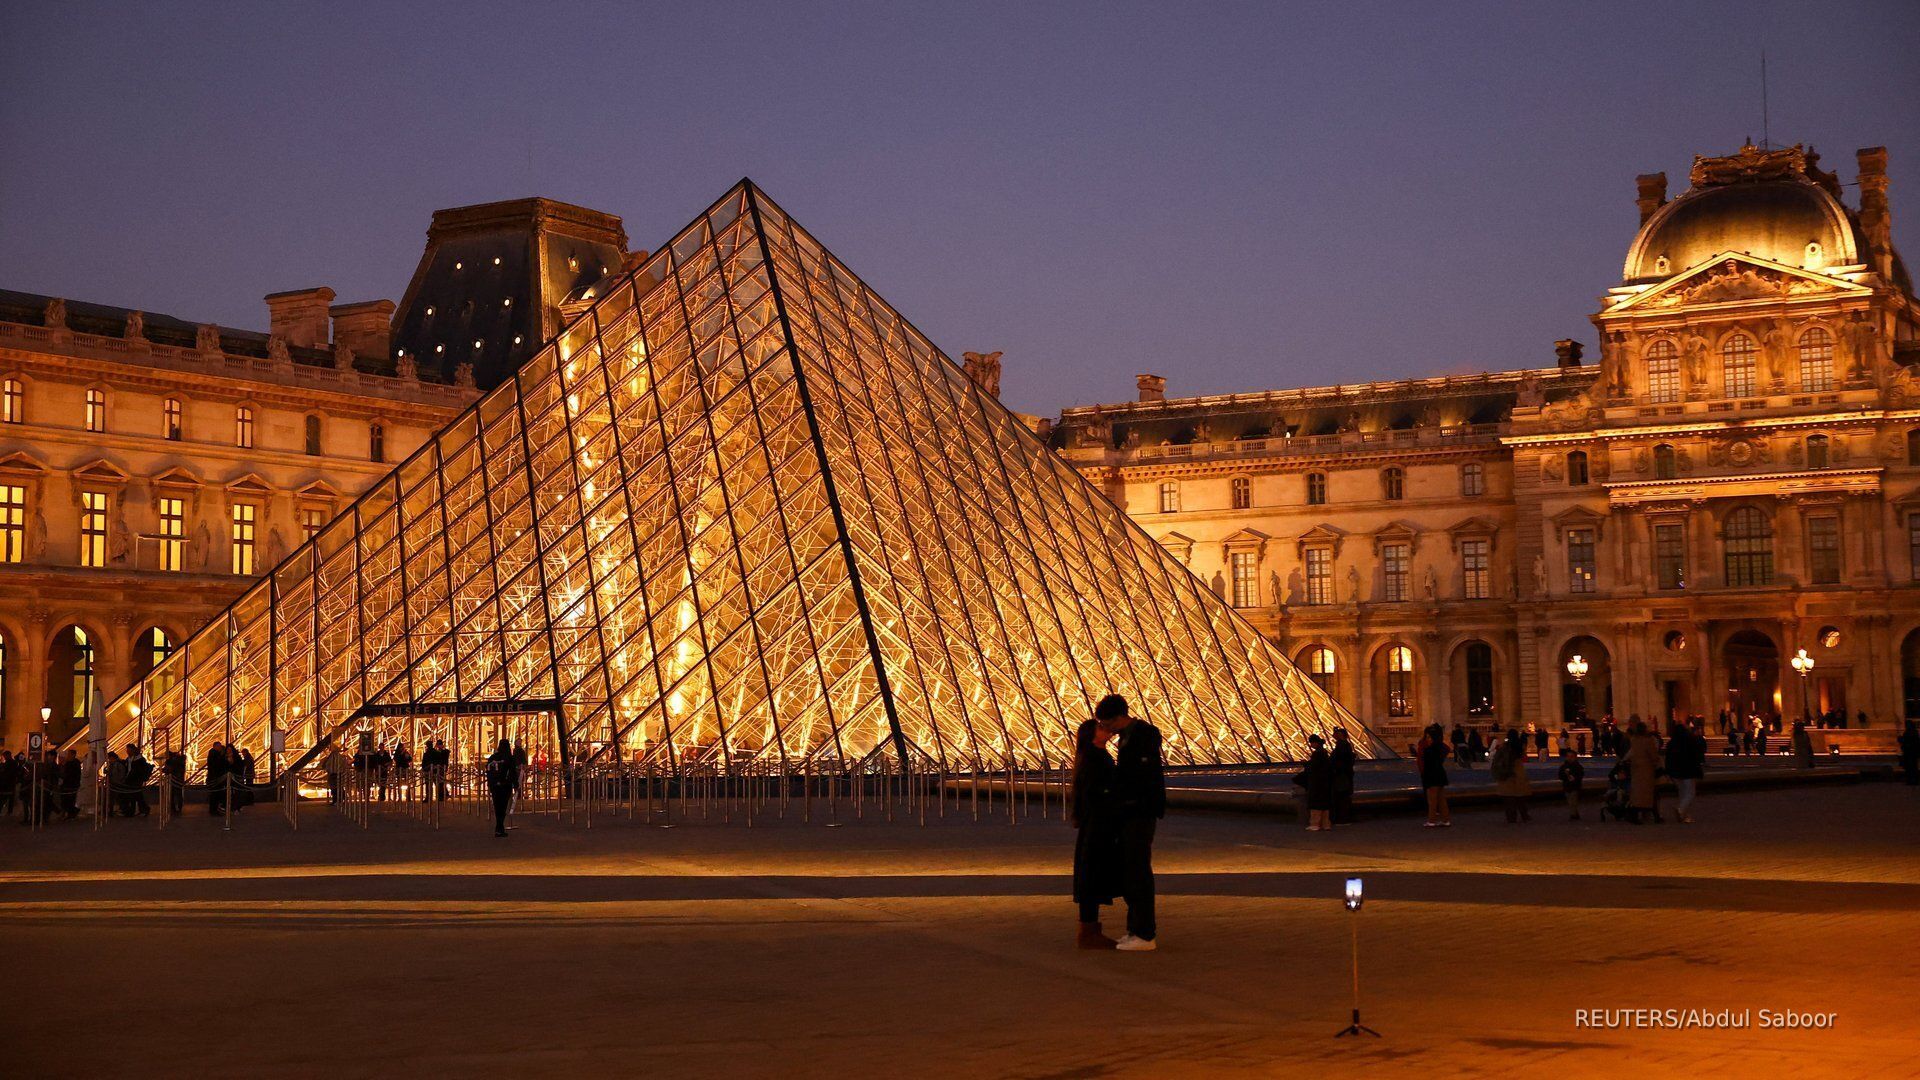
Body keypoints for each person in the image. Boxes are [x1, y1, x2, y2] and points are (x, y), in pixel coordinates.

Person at [1098, 695, 1164, 952]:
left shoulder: (1143, 735)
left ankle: (1145, 934)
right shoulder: (1130, 735)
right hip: (1133, 811)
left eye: (1107, 723)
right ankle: (1135, 929)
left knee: (1138, 871)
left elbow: (1139, 777)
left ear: (1118, 718)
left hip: (1139, 812)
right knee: (1131, 871)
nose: (1106, 729)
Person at [1069, 716, 1121, 949]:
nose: (1106, 728)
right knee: (1092, 876)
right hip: (1098, 825)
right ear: (1091, 736)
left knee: (1092, 876)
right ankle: (1088, 932)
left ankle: (1088, 930)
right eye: (1100, 727)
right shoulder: (1094, 758)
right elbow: (1097, 792)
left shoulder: (1092, 756)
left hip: (1095, 824)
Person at [1293, 734, 1334, 832]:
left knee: (1315, 804)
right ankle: (1326, 824)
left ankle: (1315, 824)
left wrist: (1306, 764)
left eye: (1311, 743)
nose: (1311, 745)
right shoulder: (1324, 752)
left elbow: (1314, 767)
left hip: (1317, 783)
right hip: (1325, 783)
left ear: (1315, 743)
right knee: (1325, 805)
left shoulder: (1317, 753)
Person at [1665, 720, 1704, 823]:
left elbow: (1668, 759)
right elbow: (1696, 757)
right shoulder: (1690, 741)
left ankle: (1684, 816)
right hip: (1688, 771)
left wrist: (1668, 772)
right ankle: (1681, 809)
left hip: (1675, 772)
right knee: (1690, 793)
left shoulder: (1671, 743)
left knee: (1682, 793)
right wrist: (1699, 770)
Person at [1624, 718, 1662, 824]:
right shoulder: (1648, 741)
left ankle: (1635, 815)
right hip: (1647, 770)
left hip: (1636, 770)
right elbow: (1653, 755)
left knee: (1637, 794)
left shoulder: (1634, 740)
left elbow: (1631, 753)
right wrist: (1657, 764)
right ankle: (1655, 816)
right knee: (1650, 794)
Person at [1492, 730, 1531, 823]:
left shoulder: (1504, 747)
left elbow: (1497, 759)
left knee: (1509, 799)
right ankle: (1524, 815)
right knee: (1521, 797)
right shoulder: (1520, 746)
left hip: (1507, 774)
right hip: (1519, 773)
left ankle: (1511, 817)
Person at [485, 738, 519, 838]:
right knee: (503, 806)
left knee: (497, 805)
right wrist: (515, 784)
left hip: (495, 785)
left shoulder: (493, 757)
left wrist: (490, 783)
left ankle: (498, 826)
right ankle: (500, 826)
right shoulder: (509, 758)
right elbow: (513, 772)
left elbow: (488, 770)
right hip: (505, 785)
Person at [1418, 723, 1450, 827]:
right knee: (1441, 800)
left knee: (1432, 800)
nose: (1427, 739)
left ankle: (1431, 821)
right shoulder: (1440, 748)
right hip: (1440, 774)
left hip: (1432, 776)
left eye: (1429, 737)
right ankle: (1446, 820)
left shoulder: (1429, 750)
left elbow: (1426, 765)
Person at [1329, 728, 1356, 825]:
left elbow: (1337, 760)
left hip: (1341, 776)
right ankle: (1344, 818)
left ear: (1341, 735)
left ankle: (1342, 818)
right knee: (1343, 797)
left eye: (1337, 734)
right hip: (1344, 775)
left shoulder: (1342, 746)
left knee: (1341, 797)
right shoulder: (1345, 745)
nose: (1334, 735)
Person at [123, 744, 152, 817]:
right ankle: (142, 809)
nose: (127, 751)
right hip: (130, 779)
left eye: (129, 750)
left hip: (136, 780)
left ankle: (136, 810)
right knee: (136, 795)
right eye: (127, 750)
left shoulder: (139, 760)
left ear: (133, 750)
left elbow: (138, 770)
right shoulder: (129, 759)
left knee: (135, 795)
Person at [1557, 747, 1585, 820]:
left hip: (1575, 787)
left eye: (1571, 756)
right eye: (1568, 756)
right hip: (1567, 786)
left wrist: (1574, 778)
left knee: (1573, 801)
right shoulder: (1563, 766)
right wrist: (1565, 775)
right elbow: (1560, 775)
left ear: (1575, 757)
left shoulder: (1578, 766)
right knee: (1570, 801)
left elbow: (1580, 775)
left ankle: (1573, 815)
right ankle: (1575, 813)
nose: (1569, 758)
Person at [104, 750, 127, 817]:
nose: (109, 759)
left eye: (109, 758)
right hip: (112, 784)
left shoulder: (118, 764)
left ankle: (118, 810)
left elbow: (121, 774)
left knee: (115, 798)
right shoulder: (111, 764)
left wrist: (118, 782)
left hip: (116, 784)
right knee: (111, 798)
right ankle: (109, 810)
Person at [163, 749, 186, 815]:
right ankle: (179, 808)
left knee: (172, 795)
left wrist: (164, 770)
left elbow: (167, 770)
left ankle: (173, 808)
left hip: (173, 780)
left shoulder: (170, 761)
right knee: (179, 795)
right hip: (179, 780)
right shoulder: (180, 760)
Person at [1898, 721, 1920, 787]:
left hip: (1908, 753)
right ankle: (1914, 781)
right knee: (1914, 767)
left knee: (1909, 768)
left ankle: (1910, 780)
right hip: (1914, 753)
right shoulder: (1915, 732)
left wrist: (1900, 739)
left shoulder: (1908, 732)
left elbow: (1905, 741)